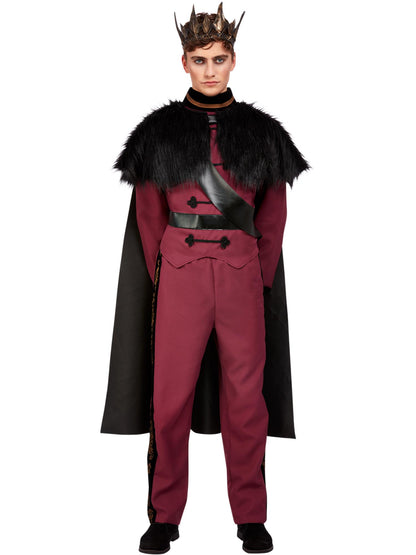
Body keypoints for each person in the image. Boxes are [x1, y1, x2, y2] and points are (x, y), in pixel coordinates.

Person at [100, 3, 310, 553]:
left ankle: (251, 517)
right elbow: (149, 217)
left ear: (234, 61)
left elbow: (272, 218)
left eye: (219, 59)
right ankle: (164, 517)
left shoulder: (263, 135)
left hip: (242, 277)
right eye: (200, 60)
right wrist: (170, 272)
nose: (210, 69)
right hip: (181, 277)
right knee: (169, 398)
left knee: (248, 399)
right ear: (184, 64)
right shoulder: (157, 134)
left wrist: (256, 277)